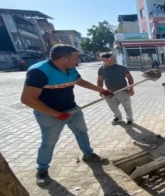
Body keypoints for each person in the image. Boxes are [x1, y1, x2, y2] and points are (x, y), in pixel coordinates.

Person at [20, 44, 114, 187]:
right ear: (64, 59)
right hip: (48, 114)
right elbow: (27, 99)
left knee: (82, 132)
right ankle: (42, 170)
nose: (78, 60)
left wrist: (101, 90)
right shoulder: (38, 72)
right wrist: (56, 114)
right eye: (75, 57)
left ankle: (88, 155)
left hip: (72, 109)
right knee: (49, 142)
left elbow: (80, 81)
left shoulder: (70, 68)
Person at [97, 52, 135, 125]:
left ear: (113, 58)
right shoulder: (101, 69)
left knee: (127, 106)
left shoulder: (121, 68)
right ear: (103, 60)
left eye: (111, 60)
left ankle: (129, 119)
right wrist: (100, 90)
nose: (110, 62)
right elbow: (100, 80)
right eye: (107, 61)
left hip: (123, 91)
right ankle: (118, 117)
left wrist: (131, 88)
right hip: (110, 92)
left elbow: (130, 78)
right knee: (113, 107)